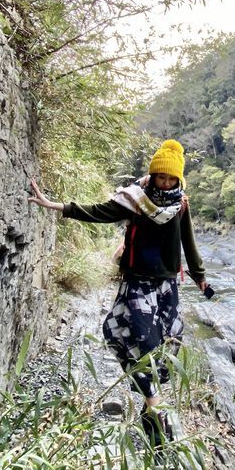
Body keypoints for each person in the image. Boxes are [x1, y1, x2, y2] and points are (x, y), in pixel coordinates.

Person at [27, 139, 208, 446]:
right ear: (152, 175)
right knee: (135, 337)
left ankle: (150, 408)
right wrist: (57, 206)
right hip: (137, 280)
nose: (165, 182)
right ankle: (154, 404)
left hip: (167, 283)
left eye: (171, 178)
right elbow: (101, 211)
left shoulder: (181, 204)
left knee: (168, 341)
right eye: (160, 176)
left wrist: (200, 276)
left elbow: (187, 241)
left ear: (178, 179)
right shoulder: (135, 199)